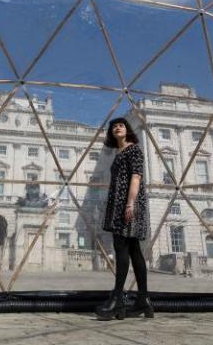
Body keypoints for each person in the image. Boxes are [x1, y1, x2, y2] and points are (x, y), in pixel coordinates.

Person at [96, 118, 152, 320]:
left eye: (121, 125)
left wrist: (129, 204)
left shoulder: (133, 149)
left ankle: (118, 299)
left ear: (127, 130)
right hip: (121, 203)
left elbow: (136, 177)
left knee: (121, 248)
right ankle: (143, 301)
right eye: (113, 126)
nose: (117, 127)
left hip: (128, 204)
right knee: (134, 249)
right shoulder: (119, 152)